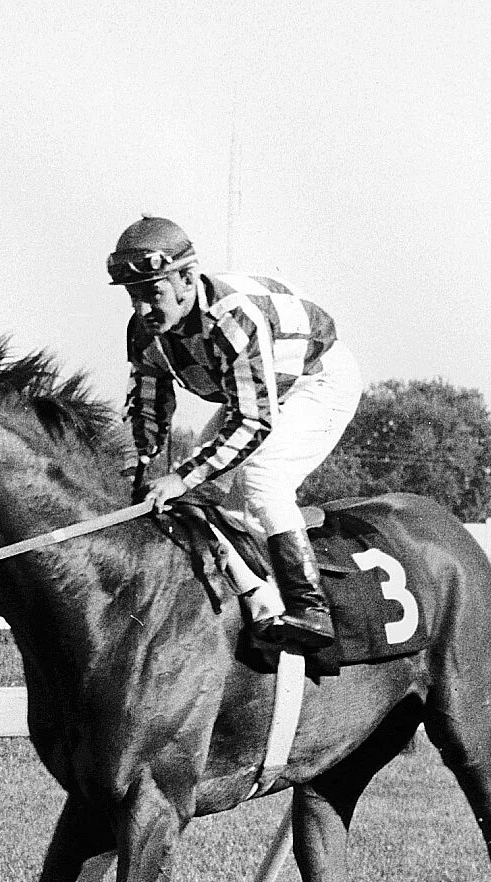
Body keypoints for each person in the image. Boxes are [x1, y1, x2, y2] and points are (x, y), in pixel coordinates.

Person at [108, 215, 363, 650]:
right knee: (197, 494)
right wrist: (142, 469)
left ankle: (310, 609)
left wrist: (180, 476)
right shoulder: (144, 330)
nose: (141, 310)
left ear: (187, 279)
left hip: (316, 380)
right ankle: (260, 598)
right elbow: (148, 407)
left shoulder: (232, 320)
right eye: (133, 296)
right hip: (254, 390)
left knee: (262, 481)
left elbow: (253, 422)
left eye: (152, 293)